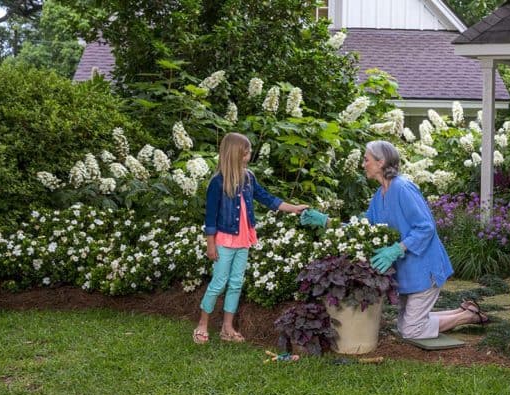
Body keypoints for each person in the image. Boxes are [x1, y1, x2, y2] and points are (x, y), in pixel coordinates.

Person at [301, 140, 487, 340]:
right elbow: (362, 229)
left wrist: (396, 249)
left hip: (424, 269)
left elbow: (426, 227)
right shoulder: (378, 196)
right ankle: (464, 310)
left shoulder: (403, 188)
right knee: (405, 325)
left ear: (381, 162)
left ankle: (468, 316)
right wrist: (326, 221)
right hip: (408, 273)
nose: (363, 164)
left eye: (366, 160)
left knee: (411, 330)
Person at [193, 132, 307, 344]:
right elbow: (209, 217)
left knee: (236, 283)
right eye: (247, 151)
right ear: (236, 153)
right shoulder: (217, 182)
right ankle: (202, 324)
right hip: (224, 241)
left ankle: (227, 328)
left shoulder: (249, 178)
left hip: (243, 240)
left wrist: (294, 209)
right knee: (219, 283)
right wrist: (210, 244)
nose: (250, 154)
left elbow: (268, 199)